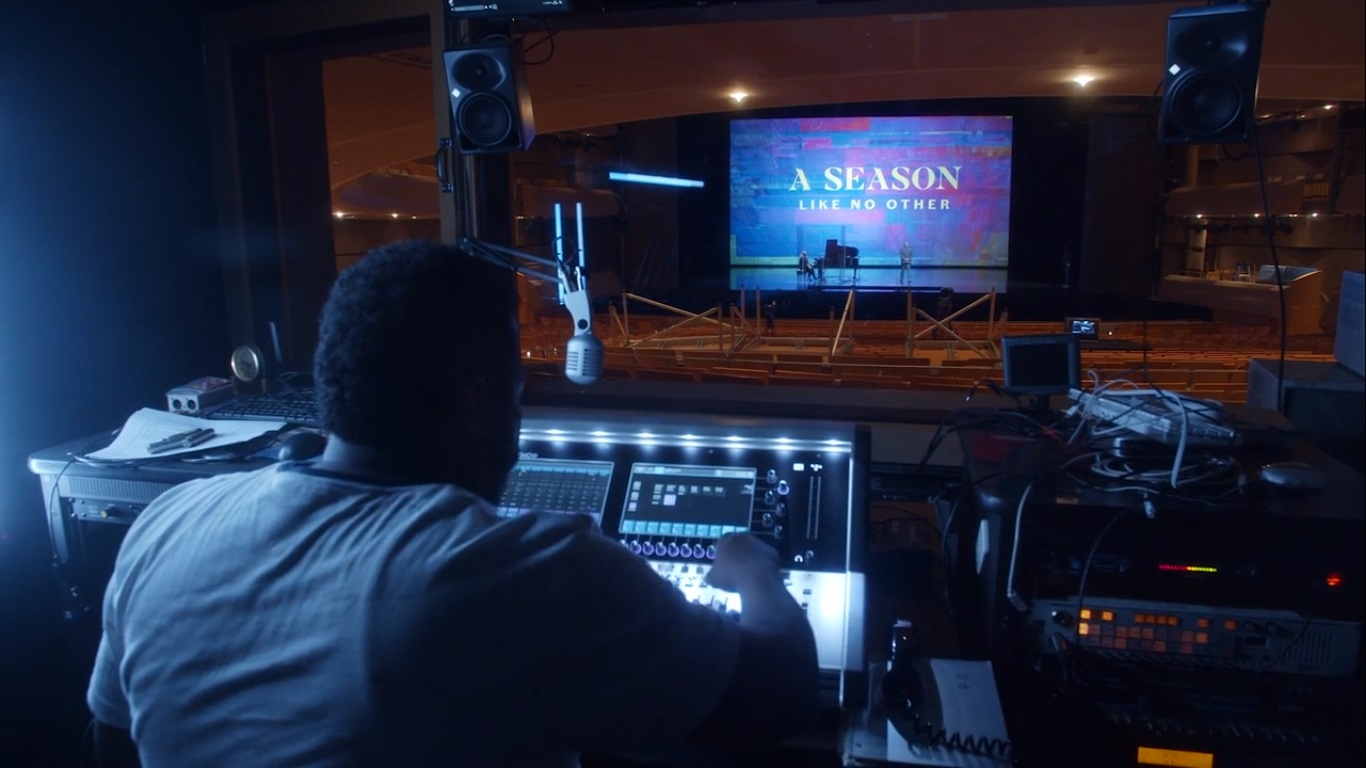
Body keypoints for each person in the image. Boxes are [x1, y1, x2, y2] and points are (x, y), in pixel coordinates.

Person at [86, 240, 819, 767]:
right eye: (516, 396)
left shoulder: (165, 525)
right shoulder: (526, 569)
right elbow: (777, 697)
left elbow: (112, 738)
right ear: (481, 403)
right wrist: (753, 569)